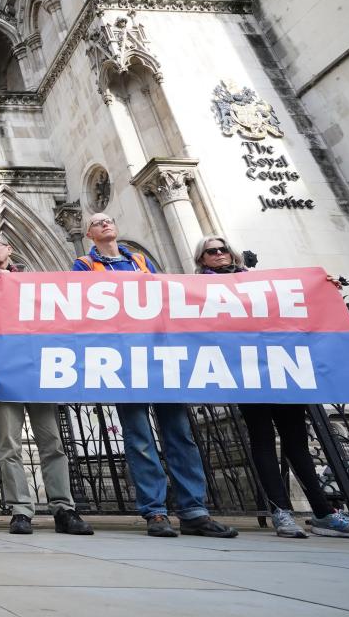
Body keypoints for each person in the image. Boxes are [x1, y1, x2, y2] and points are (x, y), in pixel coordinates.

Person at [194, 235, 349, 540]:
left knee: (297, 441)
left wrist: (323, 288)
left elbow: (296, 301)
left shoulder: (260, 284)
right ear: (202, 259)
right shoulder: (196, 289)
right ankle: (282, 512)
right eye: (212, 251)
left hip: (282, 367)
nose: (220, 254)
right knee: (262, 440)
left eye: (223, 249)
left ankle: (324, 513)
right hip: (244, 371)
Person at [72, 213, 237, 538]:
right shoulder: (83, 266)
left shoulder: (141, 261)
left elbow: (170, 298)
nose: (105, 224)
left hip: (160, 356)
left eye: (109, 220)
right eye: (97, 222)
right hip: (122, 361)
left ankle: (194, 510)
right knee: (139, 438)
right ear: (89, 234)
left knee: (180, 434)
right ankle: (155, 512)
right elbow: (81, 306)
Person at [0, 233, 93, 536]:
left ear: (9, 248)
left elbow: (53, 319)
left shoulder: (32, 282)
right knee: (9, 445)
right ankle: (20, 510)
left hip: (36, 372)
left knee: (52, 442)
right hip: (2, 373)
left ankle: (64, 508)